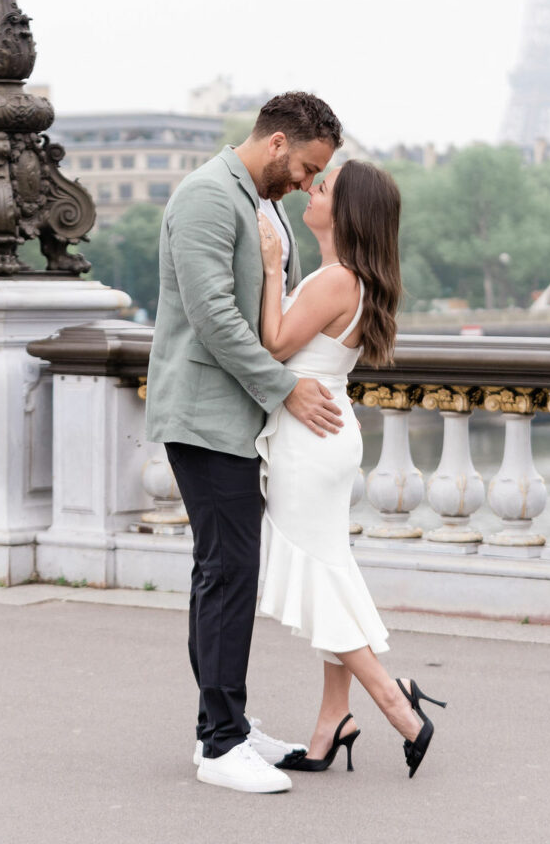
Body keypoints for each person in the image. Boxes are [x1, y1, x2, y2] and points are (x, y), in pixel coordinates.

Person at [145, 91, 348, 794]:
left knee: (225, 572)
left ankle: (225, 723)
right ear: (277, 143)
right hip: (205, 415)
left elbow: (266, 313)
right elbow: (212, 317)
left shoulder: (262, 202)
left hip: (232, 416)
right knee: (228, 573)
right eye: (307, 167)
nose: (308, 182)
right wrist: (285, 388)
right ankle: (220, 744)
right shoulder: (208, 196)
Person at [253, 159, 447, 779]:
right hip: (326, 434)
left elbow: (275, 344)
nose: (312, 189)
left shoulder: (336, 280)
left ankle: (394, 702)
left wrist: (272, 269)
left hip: (309, 441)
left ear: (347, 212)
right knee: (328, 571)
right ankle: (333, 719)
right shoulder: (351, 280)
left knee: (314, 577)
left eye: (326, 187)